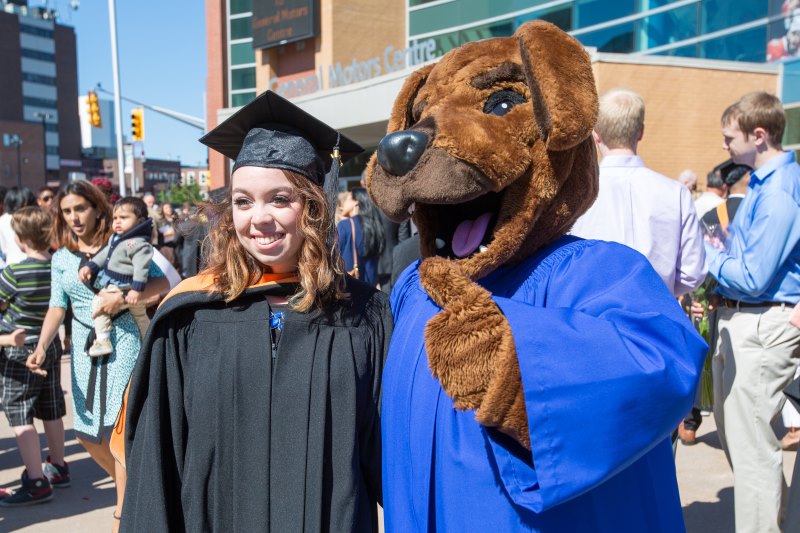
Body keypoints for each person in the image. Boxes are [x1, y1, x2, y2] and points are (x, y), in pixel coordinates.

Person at [120, 90, 391, 532]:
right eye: (243, 201)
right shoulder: (190, 317)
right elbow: (157, 465)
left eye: (280, 199)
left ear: (315, 206)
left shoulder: (364, 315)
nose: (258, 218)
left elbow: (393, 461)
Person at [26, 180, 169, 532]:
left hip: (123, 342)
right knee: (88, 434)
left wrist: (122, 298)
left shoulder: (123, 243)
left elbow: (161, 284)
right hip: (84, 353)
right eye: (67, 211)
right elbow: (57, 308)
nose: (74, 217)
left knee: (118, 429)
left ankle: (122, 515)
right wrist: (42, 346)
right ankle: (136, 491)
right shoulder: (60, 258)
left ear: (96, 208)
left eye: (81, 208)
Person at [705, 91, 800, 533]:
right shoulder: (764, 183)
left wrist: (702, 256)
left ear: (758, 136)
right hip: (747, 320)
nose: (725, 146)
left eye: (730, 138)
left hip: (760, 322)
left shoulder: (779, 190)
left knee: (754, 452)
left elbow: (754, 276)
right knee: (746, 449)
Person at [570, 88, 706, 299]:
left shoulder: (576, 191)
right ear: (641, 132)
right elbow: (691, 273)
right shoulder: (675, 193)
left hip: (592, 312)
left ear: (596, 134)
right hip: (654, 312)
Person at [0, 207, 69, 507]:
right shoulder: (58, 266)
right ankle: (58, 464)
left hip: (19, 349)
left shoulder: (13, 273)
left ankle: (36, 480)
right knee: (51, 405)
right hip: (49, 343)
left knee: (19, 412)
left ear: (20, 238)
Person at [78, 197, 154, 356]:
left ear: (140, 221)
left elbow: (141, 268)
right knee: (139, 315)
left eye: (124, 218)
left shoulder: (138, 243)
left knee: (99, 304)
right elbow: (105, 254)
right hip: (122, 285)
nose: (117, 222)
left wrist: (136, 289)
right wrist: (91, 266)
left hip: (123, 286)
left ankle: (103, 340)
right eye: (115, 218)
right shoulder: (116, 238)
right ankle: (149, 340)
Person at [336, 187, 385, 287]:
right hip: (371, 287)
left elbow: (333, 255)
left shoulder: (345, 225)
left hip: (350, 287)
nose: (344, 203)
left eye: (348, 199)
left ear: (356, 203)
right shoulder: (374, 225)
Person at [0, 187, 37, 268]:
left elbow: (4, 249)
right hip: (36, 263)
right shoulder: (34, 218)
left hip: (11, 265)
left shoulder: (2, 220)